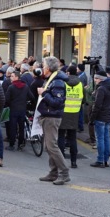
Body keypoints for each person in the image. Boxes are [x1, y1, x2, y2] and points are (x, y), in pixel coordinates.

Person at [37, 56, 70, 185]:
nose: (42, 69)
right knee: (48, 146)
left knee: (52, 146)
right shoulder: (52, 79)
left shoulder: (57, 82)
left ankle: (64, 173)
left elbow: (57, 101)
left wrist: (43, 93)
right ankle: (53, 172)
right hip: (48, 115)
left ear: (49, 68)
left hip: (52, 116)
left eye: (44, 66)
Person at [58, 65, 83, 168]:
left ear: (67, 73)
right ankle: (73, 162)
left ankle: (61, 160)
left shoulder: (63, 83)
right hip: (74, 113)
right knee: (72, 138)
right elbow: (83, 99)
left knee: (61, 137)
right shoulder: (80, 84)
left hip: (63, 112)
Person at [89, 71, 110, 168]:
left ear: (100, 79)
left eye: (96, 78)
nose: (95, 80)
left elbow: (97, 105)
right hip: (108, 115)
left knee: (100, 139)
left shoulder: (101, 89)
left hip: (100, 116)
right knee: (106, 138)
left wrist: (92, 118)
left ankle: (100, 160)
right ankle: (106, 160)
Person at [5, 71, 35, 151]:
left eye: (12, 76)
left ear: (16, 77)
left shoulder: (11, 87)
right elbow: (32, 97)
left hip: (13, 109)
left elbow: (7, 99)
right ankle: (20, 144)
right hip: (22, 109)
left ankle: (12, 144)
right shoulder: (25, 86)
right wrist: (26, 101)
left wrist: (9, 104)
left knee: (13, 127)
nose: (10, 77)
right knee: (21, 127)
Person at [77, 64, 88, 132]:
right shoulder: (83, 75)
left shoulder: (80, 76)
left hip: (79, 97)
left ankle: (80, 126)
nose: (76, 69)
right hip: (80, 97)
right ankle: (80, 126)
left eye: (77, 68)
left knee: (80, 113)